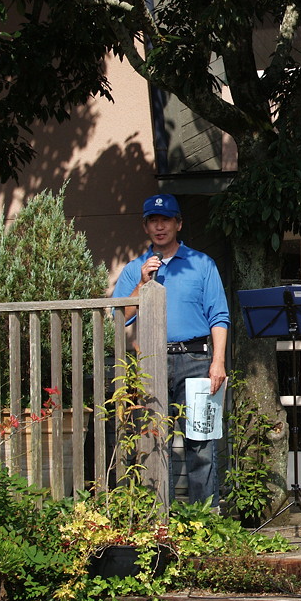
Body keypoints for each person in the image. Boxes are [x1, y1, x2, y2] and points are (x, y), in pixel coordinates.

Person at [112, 193, 230, 505]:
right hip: (153, 361)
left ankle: (205, 521)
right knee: (153, 442)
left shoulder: (202, 264)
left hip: (196, 360)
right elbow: (118, 319)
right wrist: (142, 282)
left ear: (178, 224)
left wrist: (217, 362)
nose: (160, 226)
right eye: (153, 221)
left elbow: (219, 316)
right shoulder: (134, 269)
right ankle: (158, 523)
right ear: (145, 227)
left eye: (166, 220)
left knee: (200, 443)